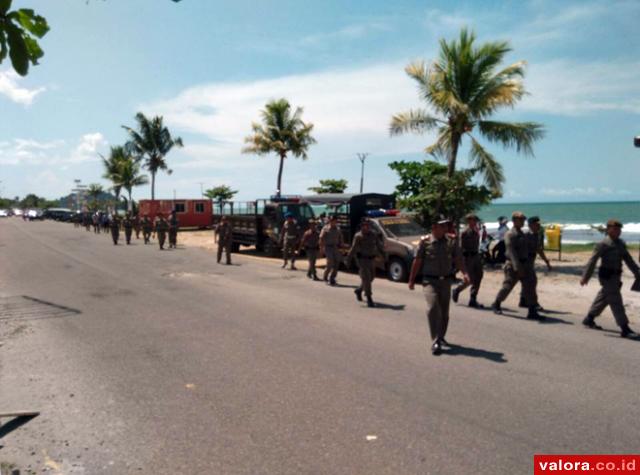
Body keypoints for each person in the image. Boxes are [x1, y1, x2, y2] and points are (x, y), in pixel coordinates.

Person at [408, 217, 469, 355]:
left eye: (446, 226)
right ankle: (435, 339)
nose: (446, 229)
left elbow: (458, 259)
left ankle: (441, 337)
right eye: (443, 226)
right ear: (434, 227)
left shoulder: (451, 242)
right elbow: (417, 261)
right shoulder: (425, 242)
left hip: (446, 281)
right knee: (433, 308)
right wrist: (411, 280)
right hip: (430, 281)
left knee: (444, 312)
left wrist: (465, 273)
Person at [580, 219, 640, 338]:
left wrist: (637, 273)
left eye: (619, 229)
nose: (618, 231)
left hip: (616, 276)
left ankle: (589, 318)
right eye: (615, 229)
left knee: (604, 297)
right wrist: (585, 277)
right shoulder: (603, 244)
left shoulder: (620, 243)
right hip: (607, 277)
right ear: (608, 229)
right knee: (616, 301)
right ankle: (625, 328)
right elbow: (593, 261)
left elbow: (628, 259)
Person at [491, 212, 543, 320]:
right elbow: (511, 251)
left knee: (530, 286)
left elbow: (529, 248)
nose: (523, 221)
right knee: (507, 286)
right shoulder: (510, 234)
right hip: (514, 265)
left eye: (523, 219)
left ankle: (532, 310)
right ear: (514, 221)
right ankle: (496, 303)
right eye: (520, 219)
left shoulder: (523, 234)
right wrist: (517, 267)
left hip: (525, 264)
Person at [348, 218, 385, 307]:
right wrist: (348, 259)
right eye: (364, 225)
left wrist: (383, 254)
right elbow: (353, 248)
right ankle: (369, 298)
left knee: (371, 277)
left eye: (368, 226)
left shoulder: (373, 234)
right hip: (362, 260)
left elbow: (378, 245)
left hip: (371, 260)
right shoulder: (358, 236)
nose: (366, 227)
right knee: (367, 279)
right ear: (362, 226)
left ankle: (359, 290)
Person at [452, 213, 484, 308]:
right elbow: (460, 247)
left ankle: (473, 299)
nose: (474, 222)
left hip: (476, 256)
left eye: (475, 220)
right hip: (468, 257)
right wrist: (459, 261)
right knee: (469, 279)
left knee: (479, 276)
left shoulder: (476, 230)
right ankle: (457, 289)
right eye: (472, 220)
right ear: (468, 221)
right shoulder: (465, 232)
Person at [519, 216, 551, 309]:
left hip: (531, 261)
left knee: (527, 282)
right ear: (530, 225)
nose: (539, 226)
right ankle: (534, 303)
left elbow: (539, 249)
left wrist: (546, 261)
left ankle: (523, 300)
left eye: (539, 224)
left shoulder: (536, 235)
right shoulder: (526, 235)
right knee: (532, 282)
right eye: (537, 224)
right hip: (525, 261)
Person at [320, 215, 344, 286]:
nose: (333, 222)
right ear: (330, 221)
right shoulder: (325, 228)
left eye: (335, 221)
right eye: (332, 220)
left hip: (335, 247)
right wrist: (321, 248)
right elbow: (321, 238)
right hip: (328, 247)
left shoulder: (338, 229)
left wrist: (342, 247)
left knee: (337, 263)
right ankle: (325, 277)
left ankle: (332, 278)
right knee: (330, 263)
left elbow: (341, 238)